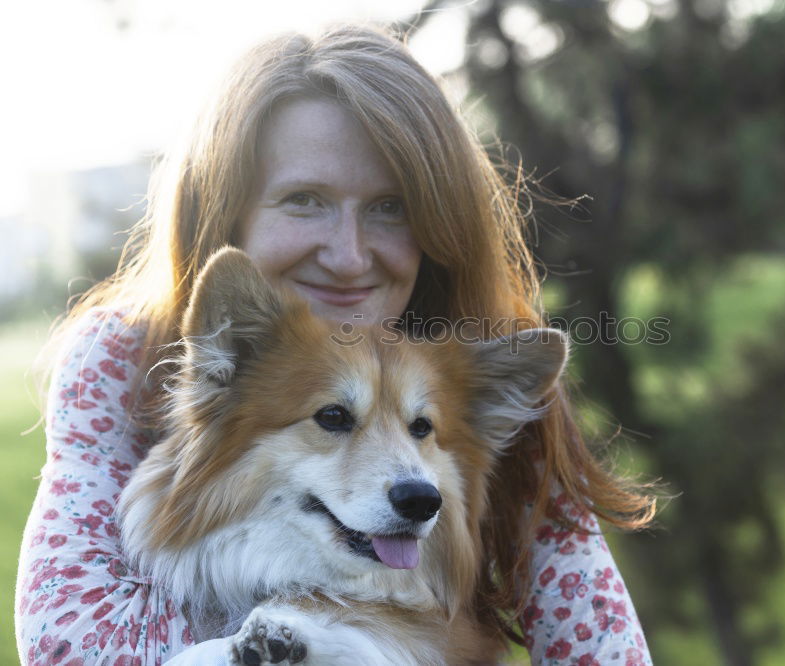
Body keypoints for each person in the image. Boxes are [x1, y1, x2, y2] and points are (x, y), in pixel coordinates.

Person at [16, 24, 657, 665]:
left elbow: (602, 648)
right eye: (305, 201)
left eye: (390, 207)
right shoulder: (120, 355)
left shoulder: (476, 368)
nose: (349, 257)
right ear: (225, 211)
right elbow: (69, 643)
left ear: (438, 222)